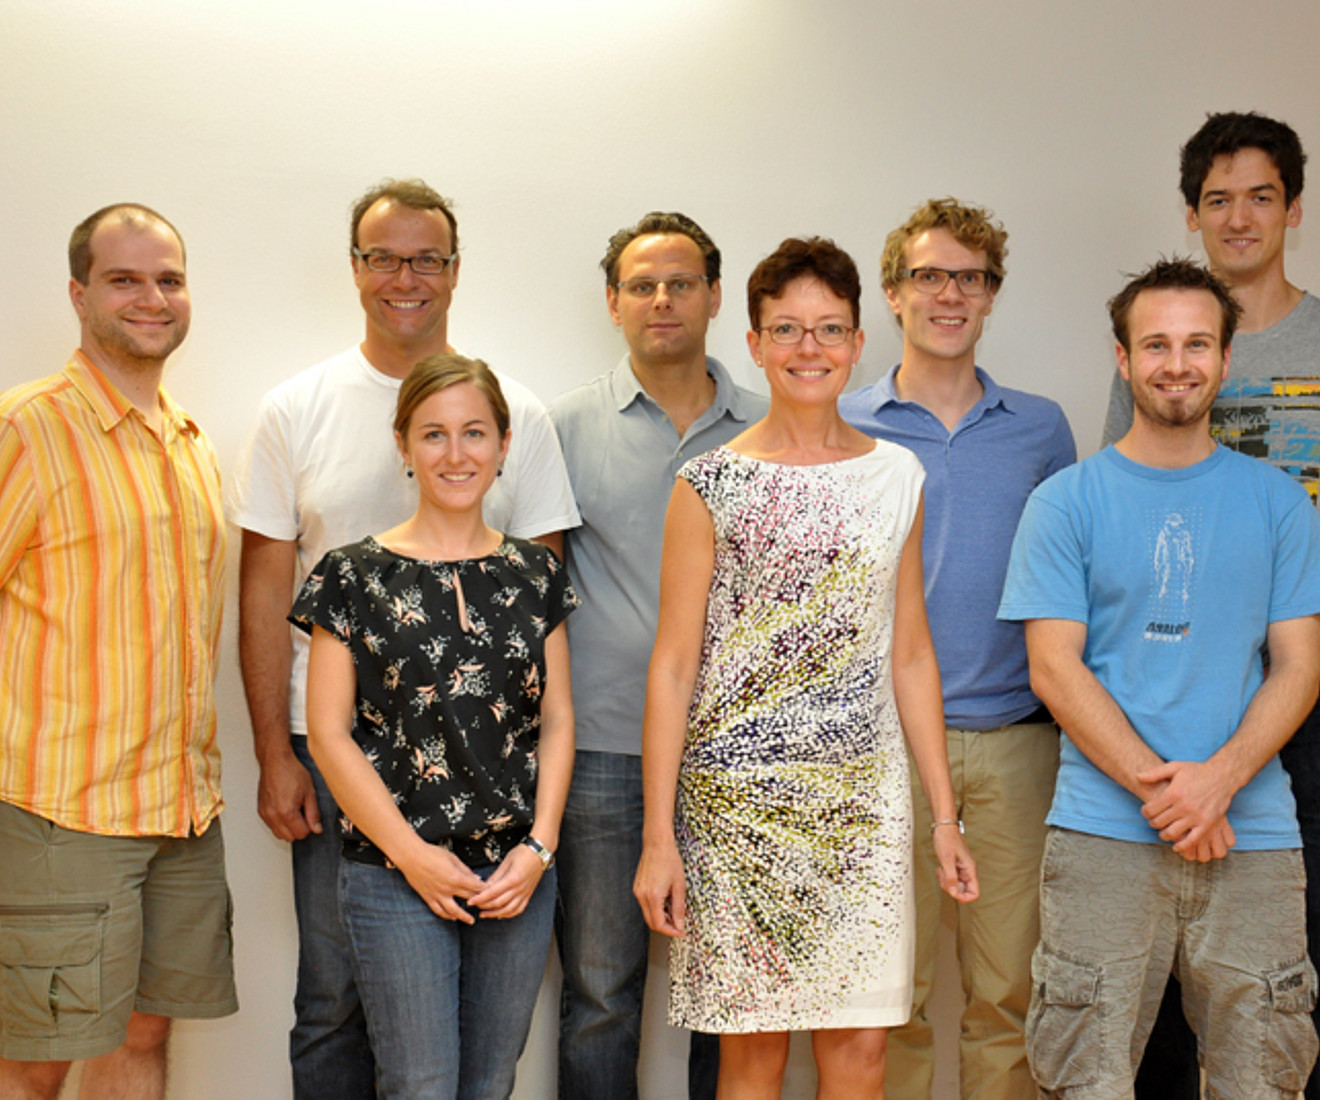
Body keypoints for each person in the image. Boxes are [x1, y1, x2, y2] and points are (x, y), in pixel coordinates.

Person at [227, 179, 578, 1098]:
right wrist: (275, 750)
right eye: (384, 256)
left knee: (475, 1054)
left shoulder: (524, 416)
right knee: (334, 1000)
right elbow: (265, 589)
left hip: (488, 770)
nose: (405, 276)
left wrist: (538, 837)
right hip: (334, 745)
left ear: (455, 271)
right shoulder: (296, 409)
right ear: (355, 269)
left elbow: (534, 643)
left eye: (426, 257)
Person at [635, 236, 978, 1100]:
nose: (809, 349)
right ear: (753, 343)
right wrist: (657, 836)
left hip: (862, 807)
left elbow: (909, 652)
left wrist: (943, 818)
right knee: (752, 1053)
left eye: (829, 329)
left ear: (860, 342)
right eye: (787, 330)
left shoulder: (897, 475)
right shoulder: (708, 482)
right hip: (736, 806)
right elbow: (673, 667)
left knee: (862, 1049)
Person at [1001, 258, 1320, 1098]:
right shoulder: (1065, 503)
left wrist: (1219, 783)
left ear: (1224, 359)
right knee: (1086, 1083)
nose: (1176, 363)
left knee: (1264, 1085)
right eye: (1156, 345)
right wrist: (1172, 794)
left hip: (1253, 842)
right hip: (1102, 840)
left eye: (1196, 344)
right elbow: (1052, 668)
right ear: (1122, 358)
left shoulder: (1280, 503)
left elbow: (1299, 667)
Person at [1098, 111, 1320, 1099]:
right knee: (1165, 952)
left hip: (1304, 680)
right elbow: (1121, 509)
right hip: (1180, 686)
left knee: (1285, 962)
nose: (1240, 217)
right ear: (1192, 216)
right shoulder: (1159, 343)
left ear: (1294, 209)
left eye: (1260, 196)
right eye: (1218, 199)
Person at [290, 354, 577, 1100]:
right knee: (418, 1085)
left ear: (505, 445)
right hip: (393, 873)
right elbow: (327, 733)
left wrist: (540, 847)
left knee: (488, 1085)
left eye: (475, 433)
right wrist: (413, 856)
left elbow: (557, 720)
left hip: (514, 875)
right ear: (404, 446)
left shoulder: (535, 574)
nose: (457, 455)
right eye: (435, 435)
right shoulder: (350, 575)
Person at [840, 197, 1074, 1100]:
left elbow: (1067, 586)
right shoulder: (848, 424)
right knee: (887, 1000)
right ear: (894, 294)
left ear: (991, 297)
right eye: (929, 276)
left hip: (1016, 745)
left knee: (1009, 995)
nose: (950, 295)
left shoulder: (1041, 428)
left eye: (969, 279)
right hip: (882, 749)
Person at [0, 204, 236, 1100]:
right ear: (79, 294)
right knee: (36, 1056)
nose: (151, 297)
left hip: (179, 811)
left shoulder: (189, 444)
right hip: (61, 812)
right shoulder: (29, 428)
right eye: (124, 279)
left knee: (142, 1033)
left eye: (168, 279)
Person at [548, 210, 766, 1100]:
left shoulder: (769, 428)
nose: (662, 300)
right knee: (602, 995)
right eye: (642, 285)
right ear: (612, 303)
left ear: (715, 297)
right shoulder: (561, 428)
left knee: (732, 1000)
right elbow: (540, 597)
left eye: (681, 283)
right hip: (603, 749)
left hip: (735, 757)